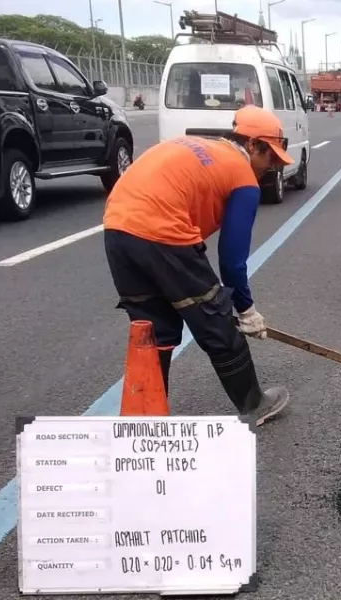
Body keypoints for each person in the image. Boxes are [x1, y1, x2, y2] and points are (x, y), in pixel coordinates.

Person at [102, 105, 294, 426]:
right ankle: (255, 405)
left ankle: (149, 416)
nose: (272, 166)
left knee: (154, 326)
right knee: (215, 319)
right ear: (251, 144)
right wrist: (246, 310)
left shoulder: (202, 149)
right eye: (270, 157)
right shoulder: (242, 174)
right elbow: (232, 260)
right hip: (162, 230)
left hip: (117, 229)